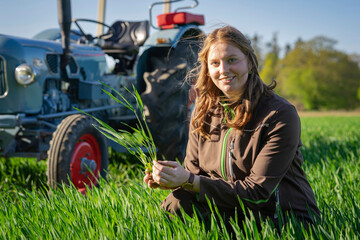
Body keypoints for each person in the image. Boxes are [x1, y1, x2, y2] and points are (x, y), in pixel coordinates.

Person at [143, 25, 320, 233]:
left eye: (232, 60)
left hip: (279, 216)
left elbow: (258, 192)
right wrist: (173, 179)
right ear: (207, 69)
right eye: (215, 63)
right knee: (176, 202)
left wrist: (189, 180)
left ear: (250, 63)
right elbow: (194, 174)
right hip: (232, 209)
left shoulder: (279, 114)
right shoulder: (203, 112)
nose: (223, 70)